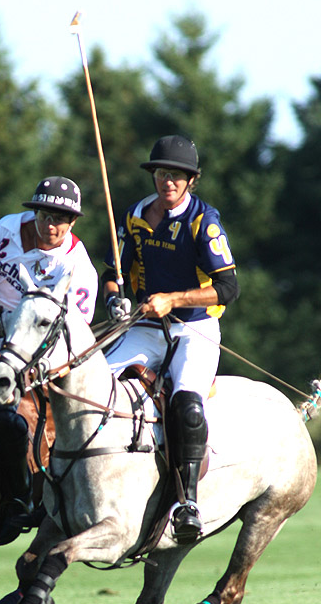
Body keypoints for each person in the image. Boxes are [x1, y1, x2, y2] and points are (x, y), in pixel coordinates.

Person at [102, 135, 239, 544]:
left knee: (187, 403)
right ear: (154, 175)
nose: (169, 182)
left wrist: (174, 299)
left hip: (194, 327)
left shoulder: (203, 220)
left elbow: (228, 287)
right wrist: (114, 302)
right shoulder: (133, 216)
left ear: (190, 181)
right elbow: (113, 273)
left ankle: (187, 502)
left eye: (177, 176)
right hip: (144, 326)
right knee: (97, 386)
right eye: (163, 173)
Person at [0, 176, 98, 545]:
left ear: (73, 222)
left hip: (34, 351)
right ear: (34, 213)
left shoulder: (77, 266)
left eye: (61, 219)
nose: (52, 225)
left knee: (11, 415)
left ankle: (17, 499)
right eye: (46, 215)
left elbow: (73, 333)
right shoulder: (7, 229)